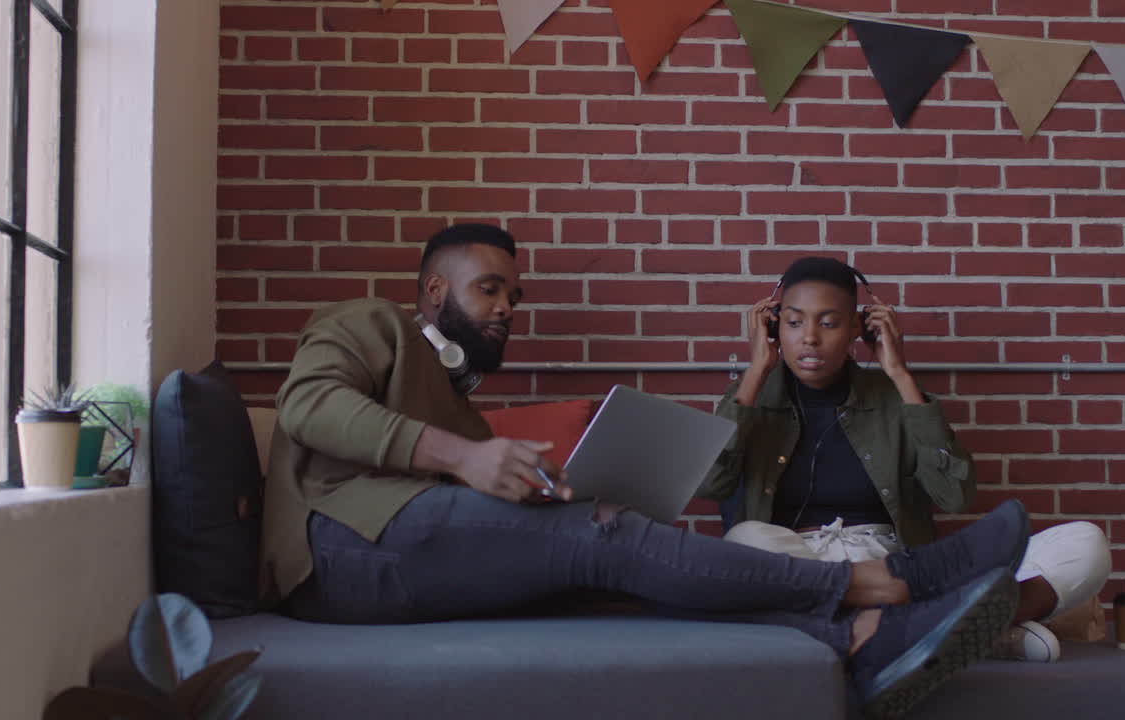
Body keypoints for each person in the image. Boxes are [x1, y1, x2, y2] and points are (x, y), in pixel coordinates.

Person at [259, 224, 1028, 720]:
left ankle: (863, 638)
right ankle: (887, 582)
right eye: (489, 288)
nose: (506, 308)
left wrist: (534, 488)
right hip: (340, 549)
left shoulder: (459, 407)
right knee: (601, 533)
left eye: (513, 295)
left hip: (408, 559)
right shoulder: (369, 322)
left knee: (619, 569)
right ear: (434, 291)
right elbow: (308, 406)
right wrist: (465, 457)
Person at [697, 256, 1112, 663]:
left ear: (858, 327)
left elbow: (955, 496)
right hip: (796, 568)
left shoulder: (895, 396)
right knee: (747, 540)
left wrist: (899, 373)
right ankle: (954, 630)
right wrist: (754, 374)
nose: (809, 337)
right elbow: (710, 484)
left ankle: (889, 629)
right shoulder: (749, 401)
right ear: (772, 327)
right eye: (793, 322)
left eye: (828, 323)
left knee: (1084, 544)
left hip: (894, 571)